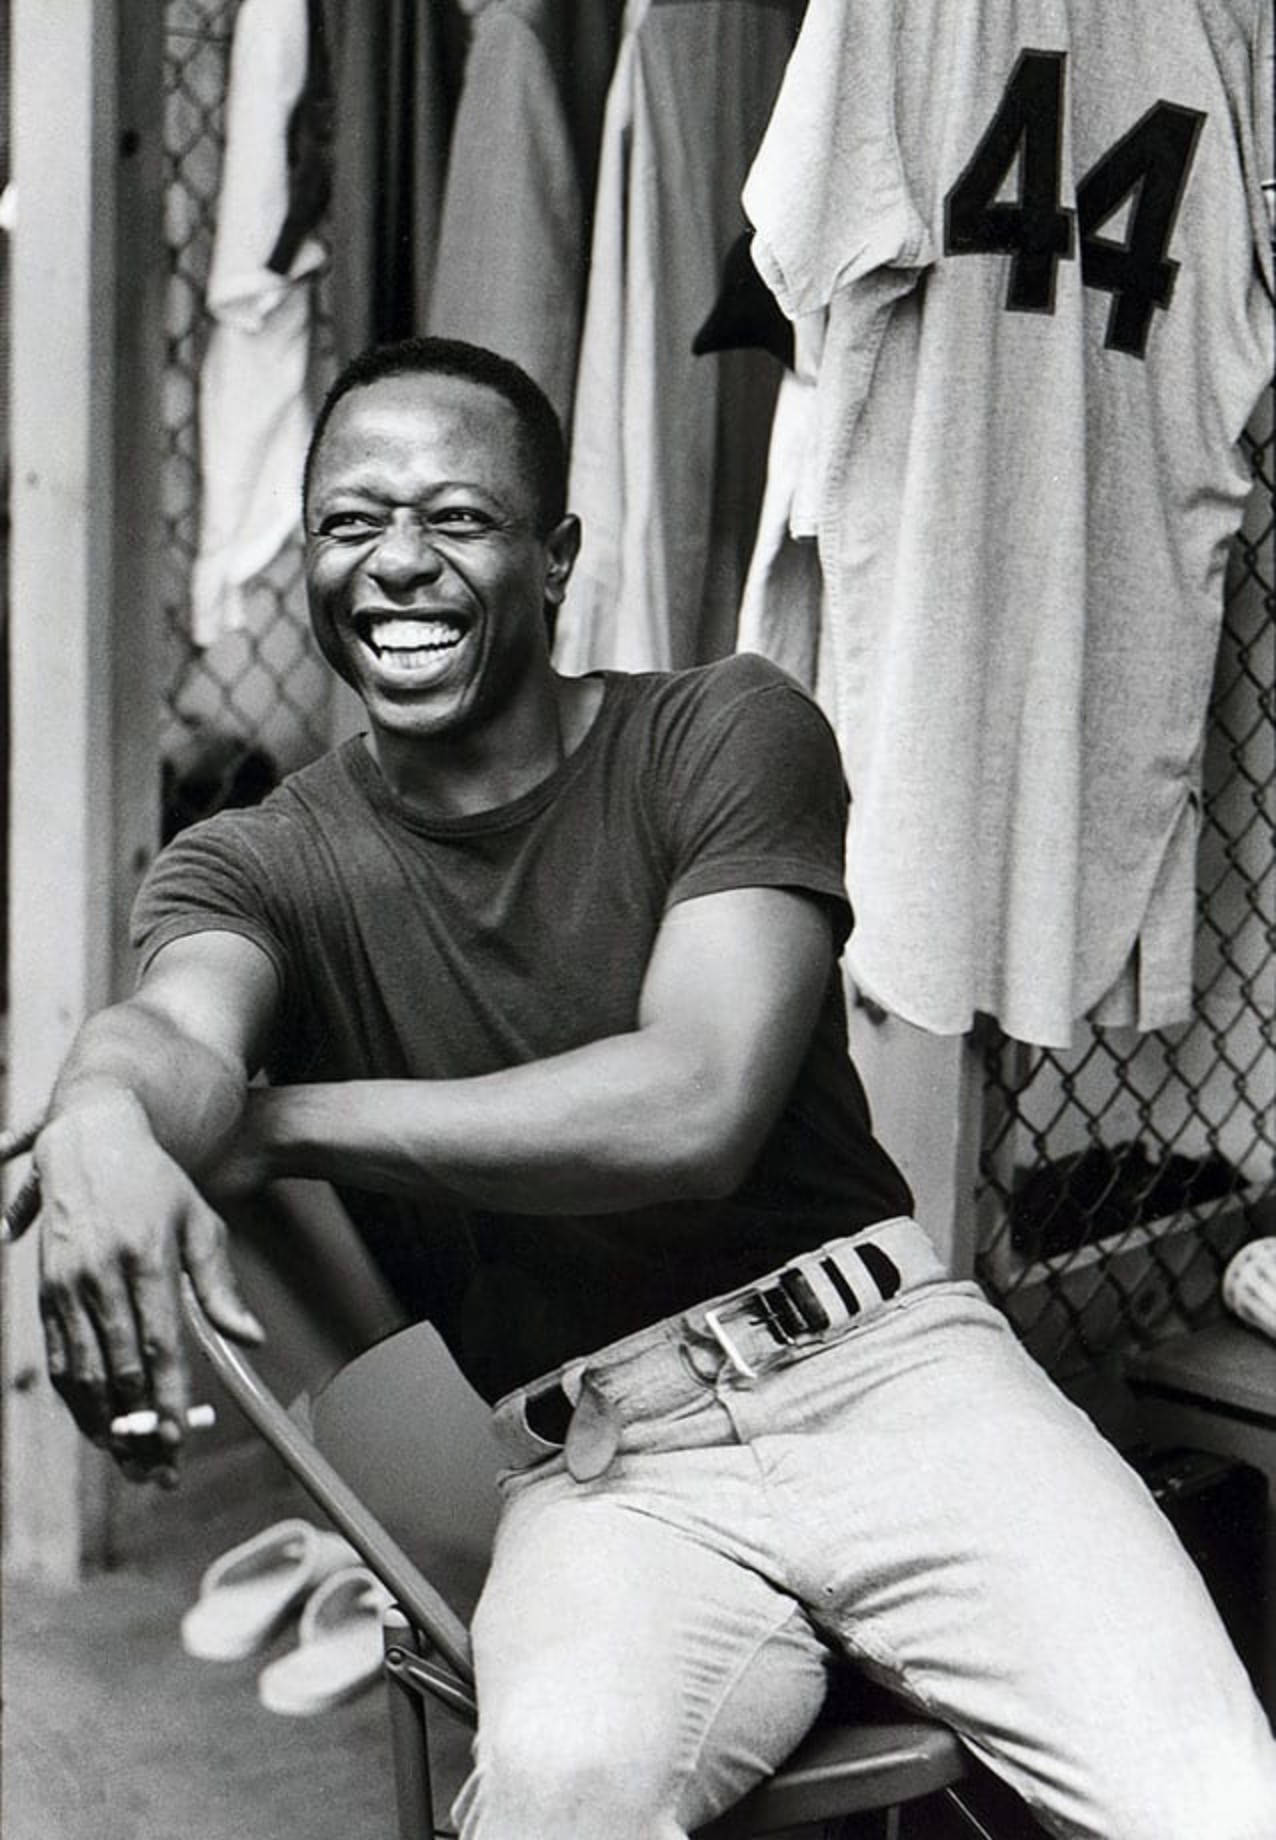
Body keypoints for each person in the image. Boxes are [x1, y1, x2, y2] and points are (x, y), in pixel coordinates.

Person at [34, 337, 1276, 1839]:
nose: (397, 564)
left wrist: (277, 1122)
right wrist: (105, 1113)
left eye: (458, 518)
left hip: (890, 1374)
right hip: (604, 1475)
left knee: (1216, 1800)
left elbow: (696, 1103)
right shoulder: (256, 861)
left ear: (556, 555)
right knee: (554, 1800)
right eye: (350, 523)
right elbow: (172, 1030)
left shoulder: (721, 730)